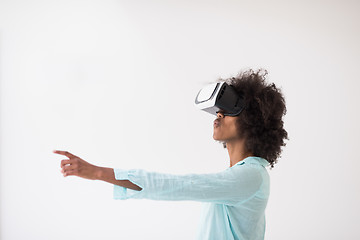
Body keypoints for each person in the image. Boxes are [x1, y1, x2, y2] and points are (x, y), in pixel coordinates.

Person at [54, 69, 288, 240]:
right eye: (218, 111)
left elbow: (181, 185)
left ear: (252, 121)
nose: (218, 115)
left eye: (227, 112)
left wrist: (97, 172)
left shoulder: (252, 176)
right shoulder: (241, 174)